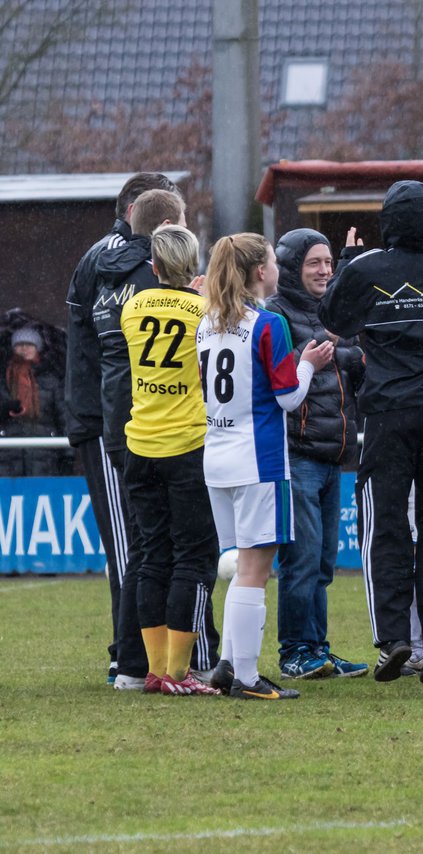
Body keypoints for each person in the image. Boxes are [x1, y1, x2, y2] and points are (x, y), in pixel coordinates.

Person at [319, 181, 423, 685]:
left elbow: (333, 318)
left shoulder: (368, 268)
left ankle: (394, 636)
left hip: (389, 412)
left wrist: (348, 262)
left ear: (389, 218)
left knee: (386, 525)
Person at [94, 188, 219, 690]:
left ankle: (149, 669)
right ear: (193, 266)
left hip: (139, 443)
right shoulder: (203, 314)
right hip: (186, 445)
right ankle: (178, 670)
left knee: (149, 555)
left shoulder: (134, 307)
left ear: (152, 263)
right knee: (193, 557)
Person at [200, 233, 334, 700]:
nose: (277, 269)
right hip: (259, 459)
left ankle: (226, 666)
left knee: (240, 567)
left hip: (216, 456)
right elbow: (289, 397)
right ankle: (247, 676)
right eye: (273, 262)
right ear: (261, 272)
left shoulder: (208, 319)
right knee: (256, 570)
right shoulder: (267, 322)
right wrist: (308, 365)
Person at [65, 171, 179, 685]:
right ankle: (130, 656)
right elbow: (102, 349)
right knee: (137, 545)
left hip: (112, 417)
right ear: (138, 210)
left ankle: (136, 655)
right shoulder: (129, 265)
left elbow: (88, 340)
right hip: (116, 421)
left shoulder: (99, 260)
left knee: (138, 544)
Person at [264, 229, 368, 681]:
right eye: (314, 264)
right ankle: (295, 652)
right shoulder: (276, 314)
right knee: (301, 561)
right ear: (292, 269)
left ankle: (318, 648)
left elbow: (355, 354)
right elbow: (277, 377)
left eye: (329, 263)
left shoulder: (329, 313)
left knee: (323, 563)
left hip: (332, 455)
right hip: (298, 455)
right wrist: (336, 357)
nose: (325, 271)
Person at [0, 326, 72, 477]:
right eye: (20, 345)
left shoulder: (51, 381)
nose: (24, 348)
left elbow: (64, 418)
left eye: (29, 344)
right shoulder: (3, 381)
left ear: (37, 348)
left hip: (45, 456)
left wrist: (68, 455)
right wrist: (4, 410)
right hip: (8, 458)